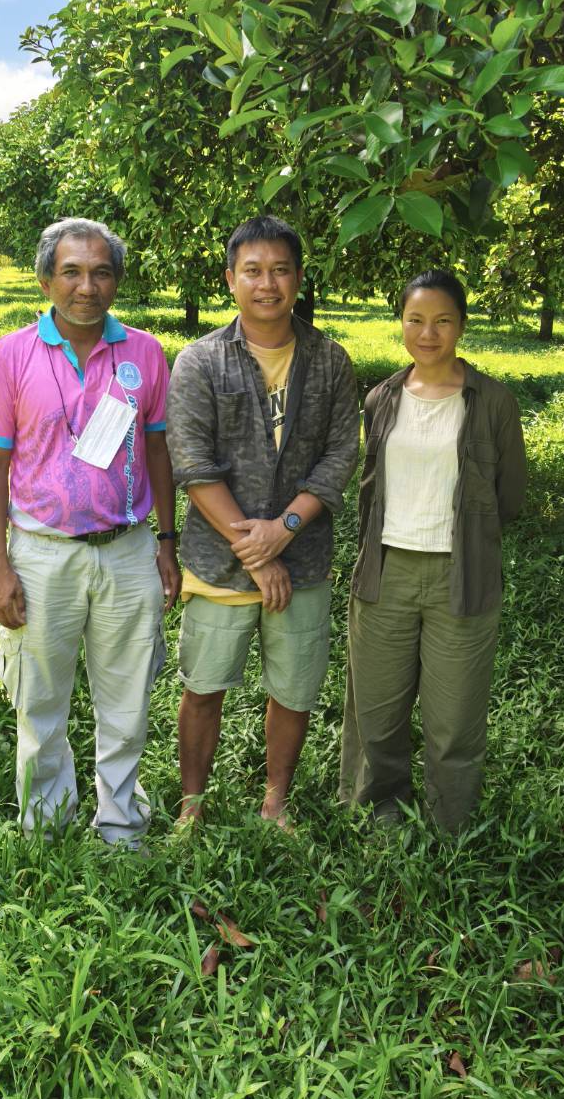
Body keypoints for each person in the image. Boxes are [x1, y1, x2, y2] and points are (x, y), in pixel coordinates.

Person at [0, 218, 180, 847]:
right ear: (45, 280)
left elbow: (159, 451)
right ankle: (46, 827)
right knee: (40, 702)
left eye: (102, 272)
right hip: (41, 555)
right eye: (72, 271)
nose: (87, 286)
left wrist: (167, 541)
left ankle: (121, 826)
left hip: (128, 550)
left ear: (116, 281)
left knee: (127, 700)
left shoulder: (144, 352)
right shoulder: (11, 355)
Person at [165, 216, 359, 829]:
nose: (266, 283)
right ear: (230, 280)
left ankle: (274, 800)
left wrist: (287, 530)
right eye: (253, 270)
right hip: (220, 559)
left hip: (301, 561)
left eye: (280, 270)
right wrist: (258, 548)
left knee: (294, 690)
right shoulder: (200, 361)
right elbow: (192, 464)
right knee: (203, 686)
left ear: (298, 280)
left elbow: (340, 452)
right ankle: (191, 804)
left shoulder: (329, 360)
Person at [339, 269, 527, 833]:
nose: (428, 333)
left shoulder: (492, 401)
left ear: (461, 326)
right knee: (377, 708)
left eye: (442, 321)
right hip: (386, 571)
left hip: (460, 575)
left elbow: (509, 495)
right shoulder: (382, 398)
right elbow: (369, 490)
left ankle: (452, 823)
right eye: (416, 320)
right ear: (401, 323)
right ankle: (379, 811)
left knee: (455, 716)